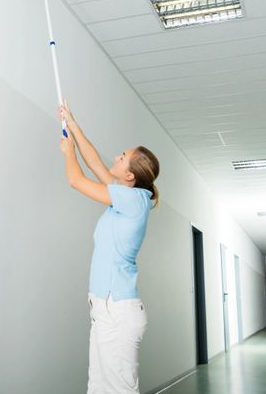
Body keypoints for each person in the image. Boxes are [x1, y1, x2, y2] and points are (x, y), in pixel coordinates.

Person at [58, 102, 160, 394]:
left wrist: (68, 153)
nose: (117, 155)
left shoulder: (135, 200)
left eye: (123, 156)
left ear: (130, 175)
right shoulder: (123, 195)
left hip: (118, 312)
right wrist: (73, 124)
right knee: (98, 388)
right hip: (103, 309)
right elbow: (95, 164)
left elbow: (76, 180)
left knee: (118, 389)